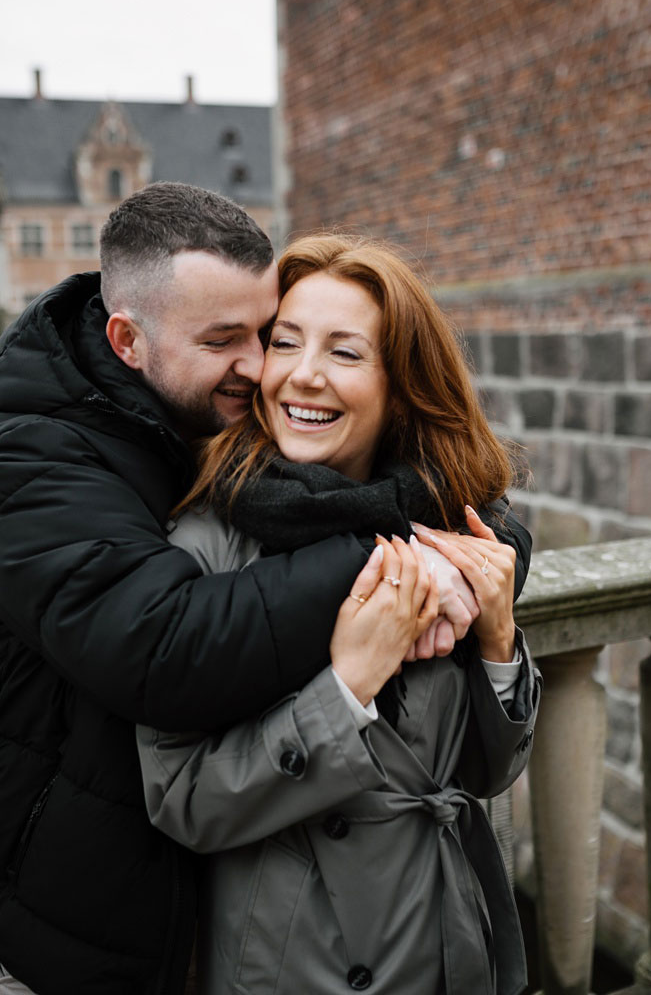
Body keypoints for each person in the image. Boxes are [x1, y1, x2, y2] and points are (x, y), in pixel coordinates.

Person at [0, 184, 479, 995]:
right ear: (127, 340)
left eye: (266, 334)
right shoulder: (36, 462)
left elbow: (438, 481)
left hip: (202, 896)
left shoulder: (200, 417)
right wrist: (396, 560)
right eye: (226, 340)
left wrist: (474, 556)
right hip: (64, 923)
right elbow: (167, 646)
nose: (259, 370)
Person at [139, 233, 540, 995]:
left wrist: (498, 640)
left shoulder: (451, 528)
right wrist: (348, 687)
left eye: (345, 353)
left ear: (403, 383)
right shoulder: (206, 544)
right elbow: (181, 799)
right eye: (284, 343)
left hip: (450, 939)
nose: (303, 376)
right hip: (304, 959)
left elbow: (489, 774)